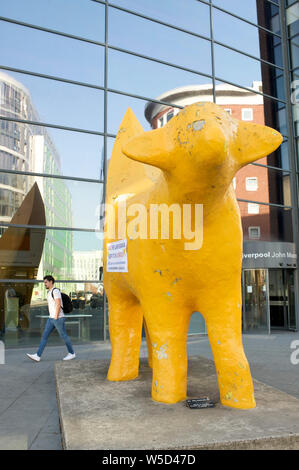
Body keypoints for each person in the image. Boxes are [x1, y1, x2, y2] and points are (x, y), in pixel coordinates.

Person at [26, 275, 76, 362]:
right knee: (44, 336)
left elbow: (58, 304)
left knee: (63, 336)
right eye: (44, 282)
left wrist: (56, 316)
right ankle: (38, 355)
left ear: (51, 282)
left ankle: (71, 353)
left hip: (57, 318)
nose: (44, 284)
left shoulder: (55, 291)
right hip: (51, 319)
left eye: (46, 282)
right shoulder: (49, 292)